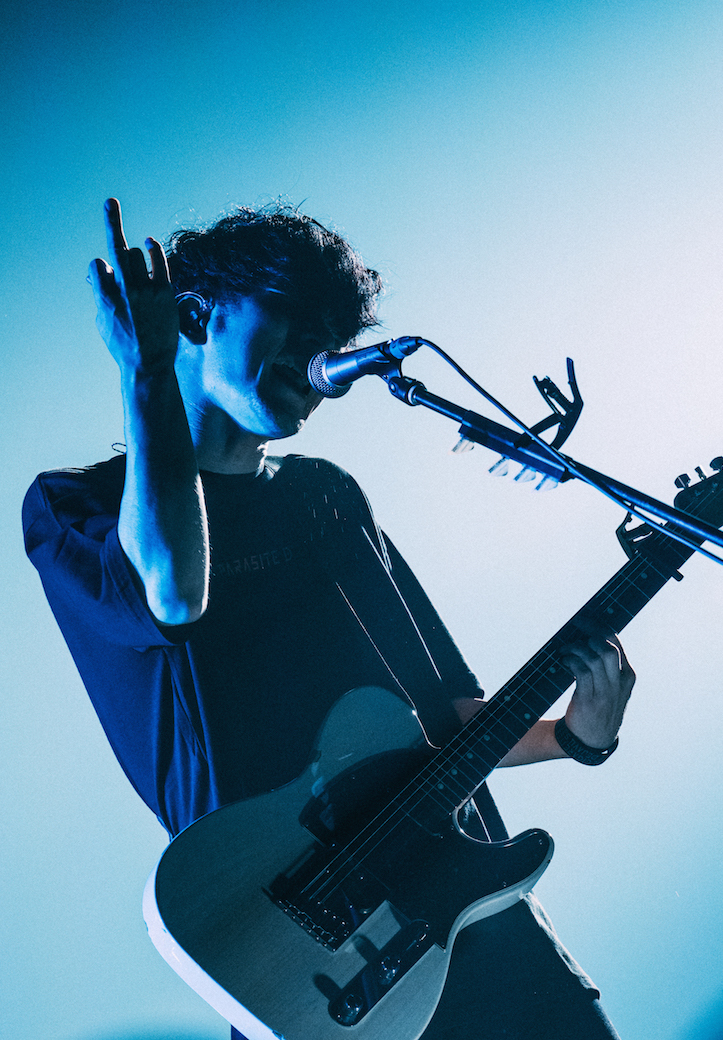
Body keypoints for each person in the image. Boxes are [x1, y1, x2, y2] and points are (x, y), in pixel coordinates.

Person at [24, 198, 635, 1039]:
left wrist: (574, 736)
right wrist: (149, 372)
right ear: (195, 312)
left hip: (467, 923)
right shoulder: (75, 505)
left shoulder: (324, 496)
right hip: (297, 969)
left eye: (332, 335)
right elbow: (171, 591)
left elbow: (443, 714)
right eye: (292, 316)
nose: (319, 354)